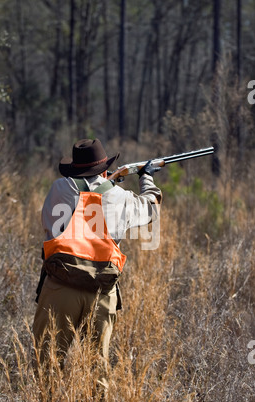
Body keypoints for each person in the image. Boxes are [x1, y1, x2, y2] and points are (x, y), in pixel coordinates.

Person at [32, 138, 162, 388]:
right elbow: (151, 206)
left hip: (60, 289)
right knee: (97, 370)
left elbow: (50, 228)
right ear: (104, 169)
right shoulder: (121, 197)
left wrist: (106, 184)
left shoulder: (59, 189)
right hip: (102, 293)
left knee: (47, 365)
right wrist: (146, 176)